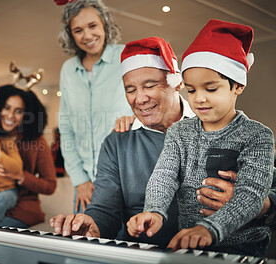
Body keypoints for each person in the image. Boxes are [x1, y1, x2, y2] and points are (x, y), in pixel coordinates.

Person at [50, 36, 276, 249]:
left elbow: (267, 189)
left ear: (175, 83)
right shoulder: (117, 141)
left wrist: (260, 206)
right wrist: (91, 223)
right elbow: (106, 208)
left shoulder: (249, 134)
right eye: (130, 90)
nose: (139, 98)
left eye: (149, 86)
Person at [127, 20, 274, 256]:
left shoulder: (257, 136)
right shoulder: (179, 132)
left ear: (237, 86)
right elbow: (164, 175)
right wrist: (154, 210)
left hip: (244, 247)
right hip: (191, 244)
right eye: (192, 90)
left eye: (211, 89)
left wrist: (209, 229)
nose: (199, 99)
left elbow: (252, 194)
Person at [57, 0, 132, 213]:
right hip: (85, 186)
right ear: (70, 35)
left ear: (105, 25)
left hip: (124, 181)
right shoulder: (68, 70)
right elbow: (66, 129)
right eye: (78, 30)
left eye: (92, 26)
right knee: (83, 243)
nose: (87, 36)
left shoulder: (125, 56)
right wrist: (80, 181)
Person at [0, 85, 57, 228]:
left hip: (21, 210)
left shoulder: (36, 141)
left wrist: (20, 176)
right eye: (6, 108)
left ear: (26, 115)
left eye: (18, 111)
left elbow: (50, 185)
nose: (10, 116)